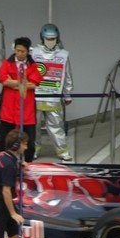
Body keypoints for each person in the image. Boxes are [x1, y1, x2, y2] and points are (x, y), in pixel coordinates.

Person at [31, 23, 74, 162]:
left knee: (56, 125)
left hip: (54, 97)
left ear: (57, 38)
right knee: (33, 126)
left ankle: (62, 151)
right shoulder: (33, 52)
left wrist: (68, 94)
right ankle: (33, 150)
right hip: (35, 96)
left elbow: (67, 75)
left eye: (53, 39)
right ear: (42, 38)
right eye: (48, 39)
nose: (51, 41)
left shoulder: (63, 54)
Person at [0, 37, 42, 163]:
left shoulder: (33, 65)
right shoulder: (7, 63)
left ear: (28, 51)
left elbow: (34, 83)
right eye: (18, 50)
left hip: (27, 111)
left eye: (23, 51)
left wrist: (14, 83)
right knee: (2, 142)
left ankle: (27, 167)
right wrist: (21, 82)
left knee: (30, 145)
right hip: (8, 110)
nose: (20, 53)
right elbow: (3, 80)